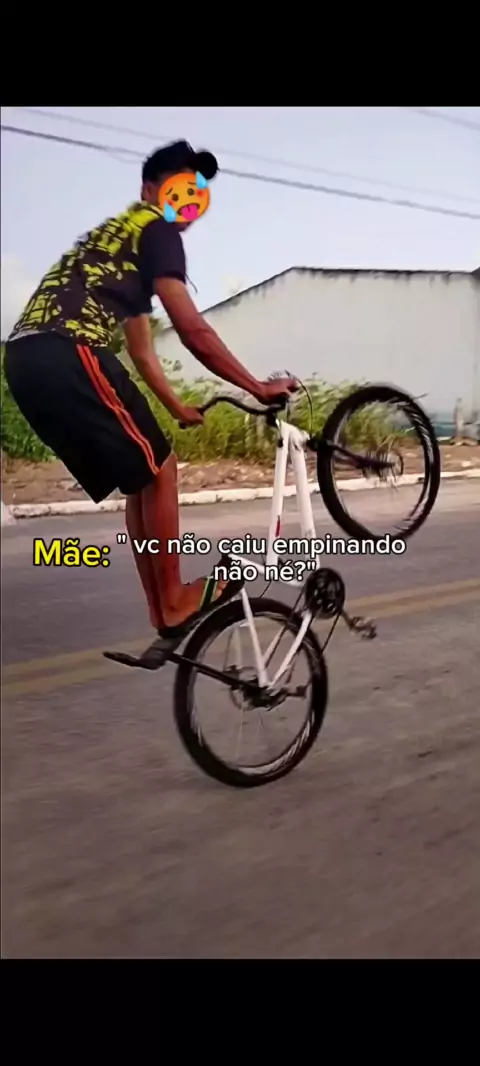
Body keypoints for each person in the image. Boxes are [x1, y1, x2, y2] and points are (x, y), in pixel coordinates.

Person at [4, 139, 297, 665]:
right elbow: (191, 328)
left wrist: (177, 406)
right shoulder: (156, 230)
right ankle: (174, 602)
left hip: (26, 360)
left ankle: (165, 606)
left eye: (196, 191)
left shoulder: (119, 239)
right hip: (67, 349)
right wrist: (258, 386)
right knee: (161, 471)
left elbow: (142, 350)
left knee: (145, 475)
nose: (188, 199)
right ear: (149, 190)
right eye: (178, 186)